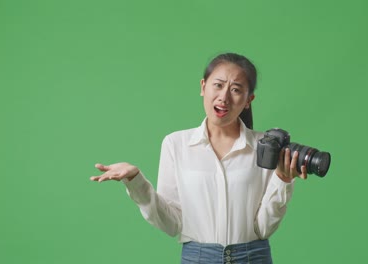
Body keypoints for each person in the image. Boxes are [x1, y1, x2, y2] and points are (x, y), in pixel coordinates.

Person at [90, 53, 307, 264]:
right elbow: (172, 224)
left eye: (236, 90)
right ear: (203, 86)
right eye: (218, 85)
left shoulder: (266, 147)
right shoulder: (175, 144)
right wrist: (136, 181)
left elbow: (264, 228)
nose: (224, 97)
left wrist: (283, 179)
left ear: (249, 100)